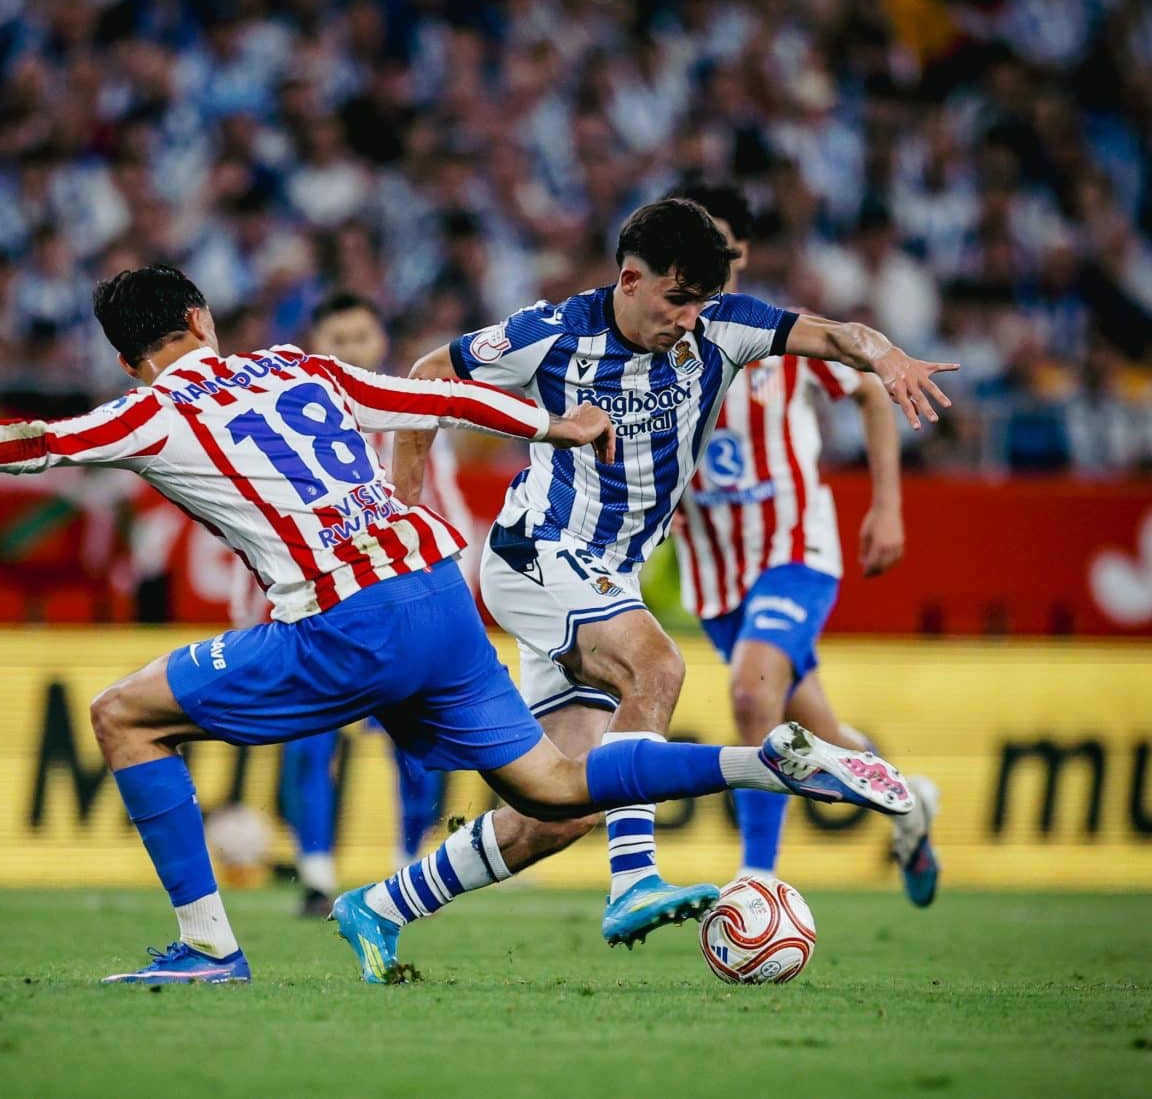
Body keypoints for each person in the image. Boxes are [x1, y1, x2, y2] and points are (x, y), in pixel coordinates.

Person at [0, 263, 917, 987]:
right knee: (548, 788)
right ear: (201, 320)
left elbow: (38, 441)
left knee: (120, 714)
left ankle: (208, 948)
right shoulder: (296, 364)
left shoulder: (148, 406)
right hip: (439, 591)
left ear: (128, 353)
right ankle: (759, 760)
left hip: (346, 622)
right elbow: (431, 399)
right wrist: (554, 424)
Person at [335, 198, 953, 978]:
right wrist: (407, 512)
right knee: (657, 666)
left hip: (603, 574)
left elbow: (836, 335)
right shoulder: (550, 332)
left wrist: (886, 356)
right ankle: (635, 880)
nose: (689, 319)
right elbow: (427, 377)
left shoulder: (726, 327)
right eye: (676, 299)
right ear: (629, 278)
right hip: (538, 551)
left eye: (700, 301)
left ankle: (381, 905)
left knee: (559, 806)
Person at [667, 182, 940, 905]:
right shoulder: (655, 339)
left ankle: (757, 882)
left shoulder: (777, 331)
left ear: (742, 252)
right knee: (811, 725)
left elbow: (870, 391)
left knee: (752, 696)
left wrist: (888, 505)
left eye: (716, 245)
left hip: (794, 546)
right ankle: (908, 800)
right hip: (713, 569)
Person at [282, 292, 461, 917]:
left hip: (404, 611)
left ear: (380, 341)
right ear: (317, 351)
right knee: (312, 745)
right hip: (326, 614)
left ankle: (407, 871)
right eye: (340, 340)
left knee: (417, 747)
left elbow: (449, 514)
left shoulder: (412, 417)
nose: (353, 350)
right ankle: (315, 876)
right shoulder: (294, 431)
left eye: (361, 337)